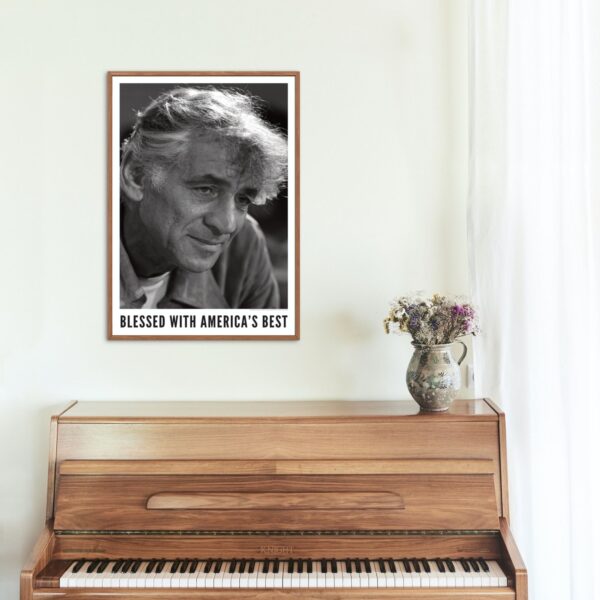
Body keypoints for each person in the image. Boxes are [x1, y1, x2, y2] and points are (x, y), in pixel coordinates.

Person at [119, 87, 287, 309]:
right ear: (137, 175)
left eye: (243, 199)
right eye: (206, 189)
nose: (227, 224)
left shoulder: (243, 245)